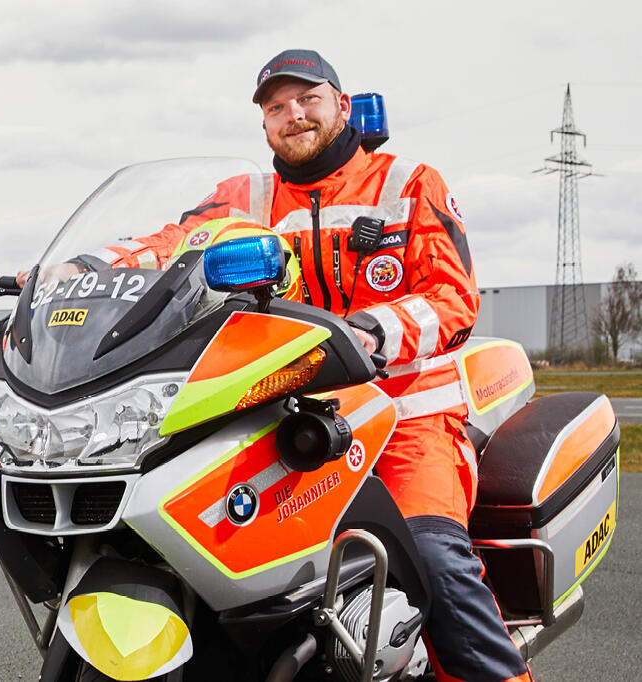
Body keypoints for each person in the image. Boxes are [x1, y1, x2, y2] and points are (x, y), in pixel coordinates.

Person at [75, 50, 523, 682]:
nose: (294, 115)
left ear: (343, 105)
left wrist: (372, 331)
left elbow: (453, 297)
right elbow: (164, 247)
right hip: (283, 415)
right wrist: (84, 271)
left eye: (308, 99)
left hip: (404, 417)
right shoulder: (243, 198)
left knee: (430, 559)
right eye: (277, 107)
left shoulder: (409, 183)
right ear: (264, 125)